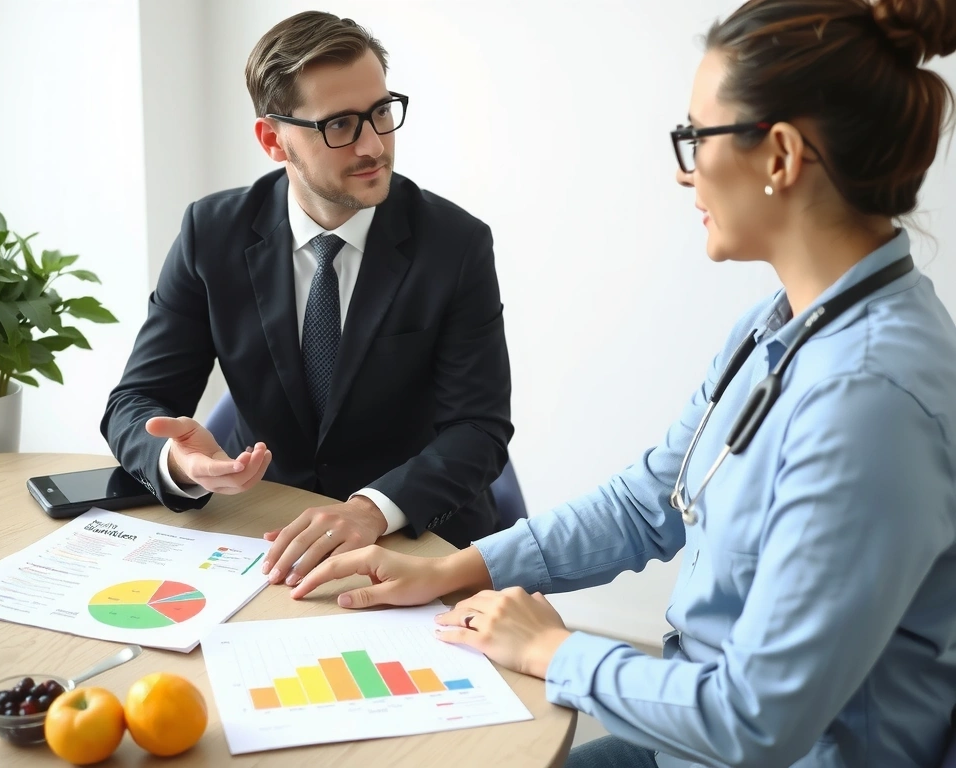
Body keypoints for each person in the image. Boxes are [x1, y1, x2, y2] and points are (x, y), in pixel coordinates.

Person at [290, 0, 956, 765]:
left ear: (779, 156)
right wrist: (450, 570)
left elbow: (755, 722)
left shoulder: (871, 401)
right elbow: (651, 500)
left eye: (696, 138)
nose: (683, 171)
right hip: (687, 731)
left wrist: (553, 651)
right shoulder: (778, 327)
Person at [101, 11, 513, 582]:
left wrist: (371, 510)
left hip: (413, 543)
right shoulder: (211, 235)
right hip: (263, 534)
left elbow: (478, 430)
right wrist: (179, 461)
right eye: (340, 124)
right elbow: (136, 400)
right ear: (274, 140)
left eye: (381, 112)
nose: (374, 144)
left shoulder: (455, 245)